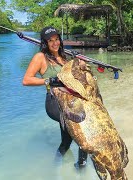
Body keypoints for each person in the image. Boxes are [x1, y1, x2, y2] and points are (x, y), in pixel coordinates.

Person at [22, 26, 88, 168]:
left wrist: (80, 64)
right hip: (54, 102)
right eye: (50, 40)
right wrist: (49, 80)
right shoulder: (40, 57)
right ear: (45, 43)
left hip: (70, 100)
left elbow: (75, 77)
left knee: (67, 140)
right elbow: (26, 80)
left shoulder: (64, 57)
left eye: (57, 39)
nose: (55, 43)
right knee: (81, 129)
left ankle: (57, 166)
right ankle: (81, 166)